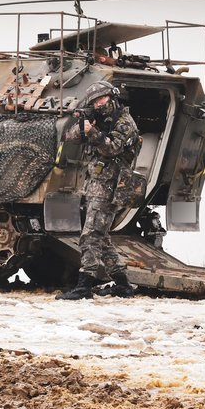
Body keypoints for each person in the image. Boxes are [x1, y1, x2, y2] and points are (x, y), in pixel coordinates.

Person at [57, 80, 141, 300]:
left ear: (112, 98)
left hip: (111, 186)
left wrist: (93, 132)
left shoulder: (124, 123)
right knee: (101, 238)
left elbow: (112, 148)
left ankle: (84, 286)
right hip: (96, 185)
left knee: (90, 236)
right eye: (94, 101)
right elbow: (71, 137)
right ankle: (123, 285)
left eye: (101, 99)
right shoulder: (99, 119)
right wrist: (84, 125)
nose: (98, 104)